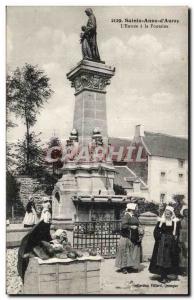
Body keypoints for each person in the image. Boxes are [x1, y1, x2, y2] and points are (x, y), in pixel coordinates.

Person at [149, 205, 180, 283]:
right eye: (166, 214)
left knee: (170, 259)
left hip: (171, 243)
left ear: (171, 214)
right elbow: (156, 231)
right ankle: (163, 277)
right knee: (162, 259)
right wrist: (160, 238)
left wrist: (175, 239)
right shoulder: (161, 221)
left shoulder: (174, 222)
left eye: (168, 214)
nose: (167, 215)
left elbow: (176, 232)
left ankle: (167, 275)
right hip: (162, 243)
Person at [17, 212, 52, 282]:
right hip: (29, 247)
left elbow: (47, 237)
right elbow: (40, 241)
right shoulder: (42, 227)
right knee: (28, 261)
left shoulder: (43, 226)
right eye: (49, 220)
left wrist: (51, 241)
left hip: (32, 244)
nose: (50, 221)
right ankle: (26, 278)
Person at [115, 203, 144, 274]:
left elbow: (138, 223)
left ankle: (131, 266)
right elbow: (123, 225)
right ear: (131, 209)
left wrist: (140, 228)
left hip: (134, 236)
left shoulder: (134, 216)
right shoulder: (126, 216)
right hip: (126, 236)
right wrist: (131, 227)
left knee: (132, 252)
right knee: (125, 252)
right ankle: (124, 267)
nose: (136, 210)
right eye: (135, 208)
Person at [179, 205, 188, 276]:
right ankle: (183, 270)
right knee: (183, 254)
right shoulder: (181, 221)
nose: (187, 212)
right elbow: (180, 231)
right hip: (183, 238)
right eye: (185, 211)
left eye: (188, 211)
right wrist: (182, 241)